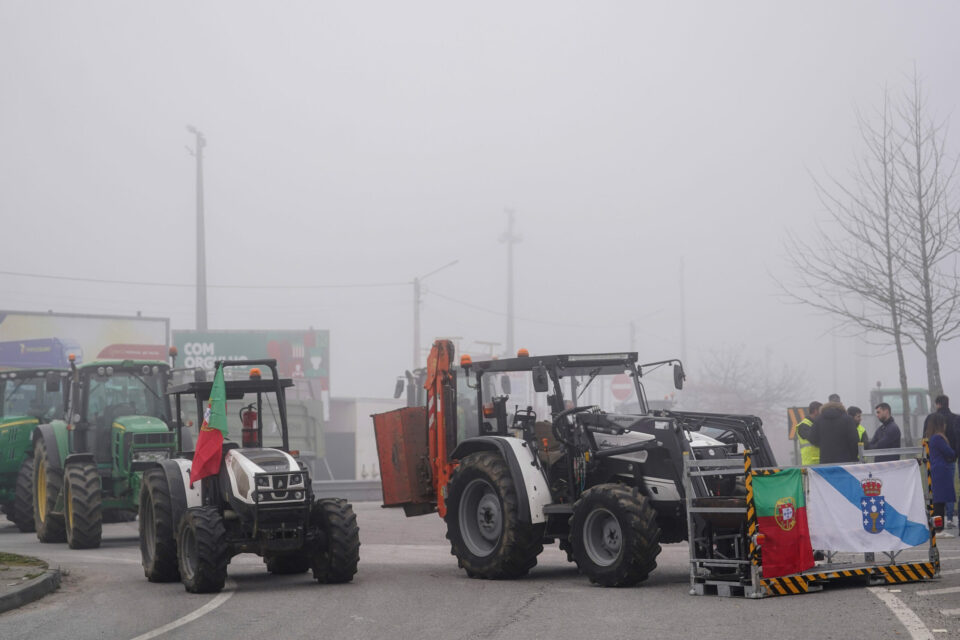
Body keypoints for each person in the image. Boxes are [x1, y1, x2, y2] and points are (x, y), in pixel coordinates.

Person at [924, 395, 959, 528]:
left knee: (938, 500)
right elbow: (949, 452)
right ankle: (940, 527)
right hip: (941, 470)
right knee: (940, 501)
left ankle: (939, 526)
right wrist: (955, 452)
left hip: (936, 469)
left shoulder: (932, 437)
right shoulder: (939, 438)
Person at [795, 401, 822, 465]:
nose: (822, 413)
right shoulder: (803, 425)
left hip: (819, 463)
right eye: (821, 411)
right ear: (815, 411)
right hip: (810, 464)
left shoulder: (815, 424)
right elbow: (814, 439)